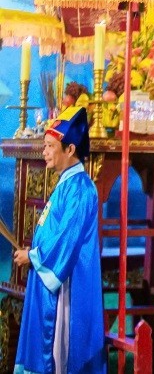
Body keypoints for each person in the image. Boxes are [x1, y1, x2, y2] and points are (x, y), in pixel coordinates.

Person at [13, 106, 106, 374]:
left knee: (61, 353)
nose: (44, 152)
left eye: (50, 146)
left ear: (70, 149)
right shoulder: (66, 185)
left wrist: (32, 256)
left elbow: (67, 239)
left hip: (67, 285)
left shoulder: (79, 189)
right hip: (52, 275)